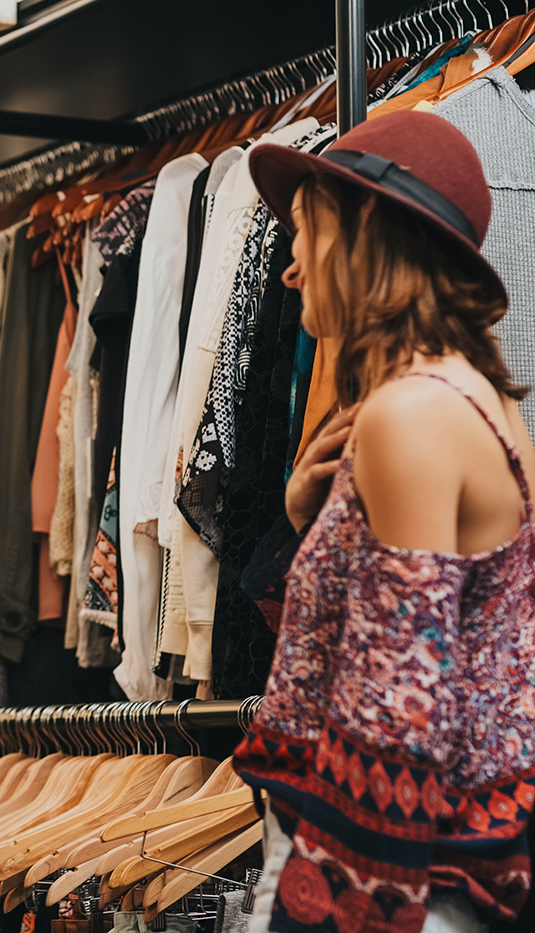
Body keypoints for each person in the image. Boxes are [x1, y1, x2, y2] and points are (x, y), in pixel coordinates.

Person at [235, 110, 535, 933]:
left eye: (303, 233)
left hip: (387, 884)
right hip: (434, 874)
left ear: (361, 228)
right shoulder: (471, 400)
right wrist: (309, 517)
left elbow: (394, 724)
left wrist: (319, 913)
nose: (290, 270)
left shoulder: (412, 416)